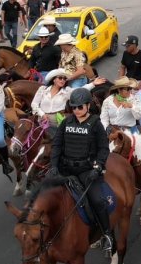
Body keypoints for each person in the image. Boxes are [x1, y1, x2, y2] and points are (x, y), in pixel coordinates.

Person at [47, 88, 115, 255]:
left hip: (86, 171)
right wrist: (53, 166)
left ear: (87, 106)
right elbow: (56, 145)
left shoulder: (95, 124)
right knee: (44, 194)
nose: (76, 111)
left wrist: (98, 168)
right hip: (65, 169)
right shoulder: (66, 122)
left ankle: (107, 234)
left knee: (98, 201)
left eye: (80, 107)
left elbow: (103, 149)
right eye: (74, 107)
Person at [119, 35, 141, 105]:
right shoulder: (125, 53)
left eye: (128, 46)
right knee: (117, 98)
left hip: (140, 82)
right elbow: (122, 67)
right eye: (125, 46)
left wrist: (140, 84)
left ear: (134, 45)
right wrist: (121, 79)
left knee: (137, 104)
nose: (126, 47)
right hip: (128, 80)